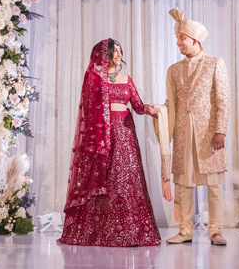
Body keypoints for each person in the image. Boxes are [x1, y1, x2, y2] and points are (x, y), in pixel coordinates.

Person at [59, 38, 162, 246]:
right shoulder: (94, 78)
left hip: (125, 133)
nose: (118, 55)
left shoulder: (126, 79)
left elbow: (138, 106)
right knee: (107, 177)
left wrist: (149, 109)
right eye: (114, 51)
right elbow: (87, 112)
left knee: (127, 177)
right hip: (103, 136)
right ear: (103, 55)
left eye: (120, 51)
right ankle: (101, 231)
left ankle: (132, 230)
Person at [163, 9, 230, 246]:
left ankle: (215, 230)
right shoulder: (173, 70)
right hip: (183, 134)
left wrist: (220, 130)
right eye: (177, 38)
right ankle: (185, 231)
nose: (178, 43)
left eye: (182, 38)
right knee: (183, 184)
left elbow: (223, 100)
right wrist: (157, 111)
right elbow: (171, 104)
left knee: (213, 184)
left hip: (208, 134)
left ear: (195, 40)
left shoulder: (214, 63)